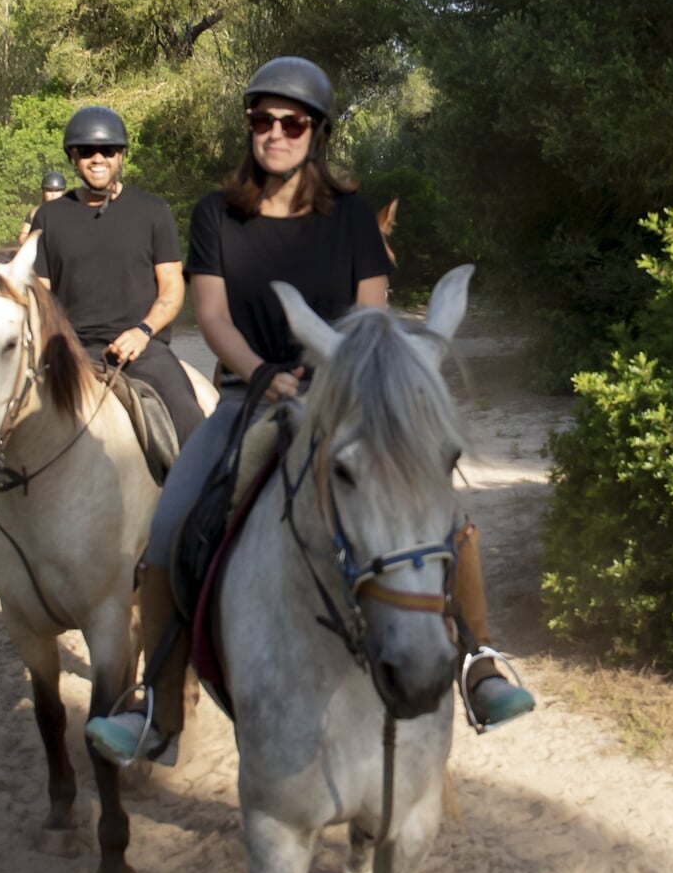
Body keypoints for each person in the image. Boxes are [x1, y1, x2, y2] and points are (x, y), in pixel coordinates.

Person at [83, 57, 535, 768]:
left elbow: (372, 315)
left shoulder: (351, 215)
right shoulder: (214, 213)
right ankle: (156, 708)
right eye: (261, 120)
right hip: (247, 397)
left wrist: (336, 376)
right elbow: (210, 315)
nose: (274, 133)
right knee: (169, 526)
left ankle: (477, 661)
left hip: (345, 393)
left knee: (438, 503)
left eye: (290, 122)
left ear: (316, 133)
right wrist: (261, 374)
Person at [0, 105, 206, 600]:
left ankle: (202, 544)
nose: (97, 158)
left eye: (107, 150)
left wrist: (143, 331)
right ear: (74, 157)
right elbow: (37, 291)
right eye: (86, 152)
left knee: (191, 424)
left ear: (121, 155)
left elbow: (172, 290)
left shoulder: (153, 212)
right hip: (66, 349)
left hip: (140, 348)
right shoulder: (51, 217)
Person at [20, 169, 67, 240]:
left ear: (63, 192)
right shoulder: (35, 213)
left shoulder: (70, 212)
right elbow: (23, 236)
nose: (53, 194)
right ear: (43, 192)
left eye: (57, 190)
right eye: (49, 190)